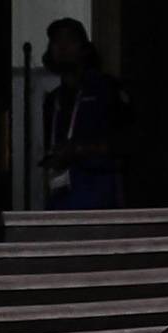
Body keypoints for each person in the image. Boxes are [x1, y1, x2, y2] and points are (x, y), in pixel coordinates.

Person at [40, 17, 129, 211]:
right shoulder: (53, 99)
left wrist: (80, 149)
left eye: (70, 40)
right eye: (56, 41)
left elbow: (125, 141)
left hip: (98, 193)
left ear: (84, 48)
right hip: (61, 196)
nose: (62, 47)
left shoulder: (105, 89)